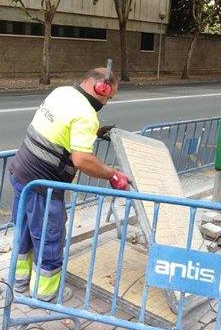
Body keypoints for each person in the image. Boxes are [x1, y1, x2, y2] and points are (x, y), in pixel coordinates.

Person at [9, 64, 130, 301]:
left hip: (20, 173)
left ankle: (19, 282)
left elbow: (61, 128)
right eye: (110, 97)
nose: (107, 103)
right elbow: (82, 159)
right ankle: (46, 293)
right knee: (49, 237)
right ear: (102, 89)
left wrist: (93, 133)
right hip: (44, 185)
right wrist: (112, 174)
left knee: (24, 231)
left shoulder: (62, 92)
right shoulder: (86, 114)